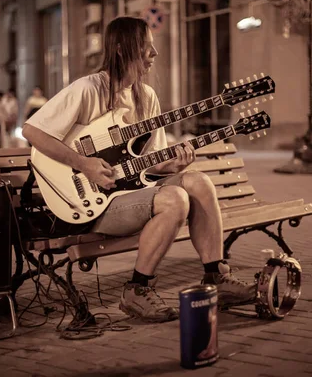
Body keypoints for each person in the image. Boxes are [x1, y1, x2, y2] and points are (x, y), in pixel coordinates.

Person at [22, 16, 254, 323]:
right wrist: (84, 164)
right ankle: (137, 290)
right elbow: (32, 131)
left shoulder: (146, 97)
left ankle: (216, 276)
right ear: (121, 49)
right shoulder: (88, 89)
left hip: (130, 192)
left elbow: (152, 161)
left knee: (198, 182)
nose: (154, 55)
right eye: (146, 47)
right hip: (91, 202)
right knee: (175, 199)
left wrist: (174, 164)